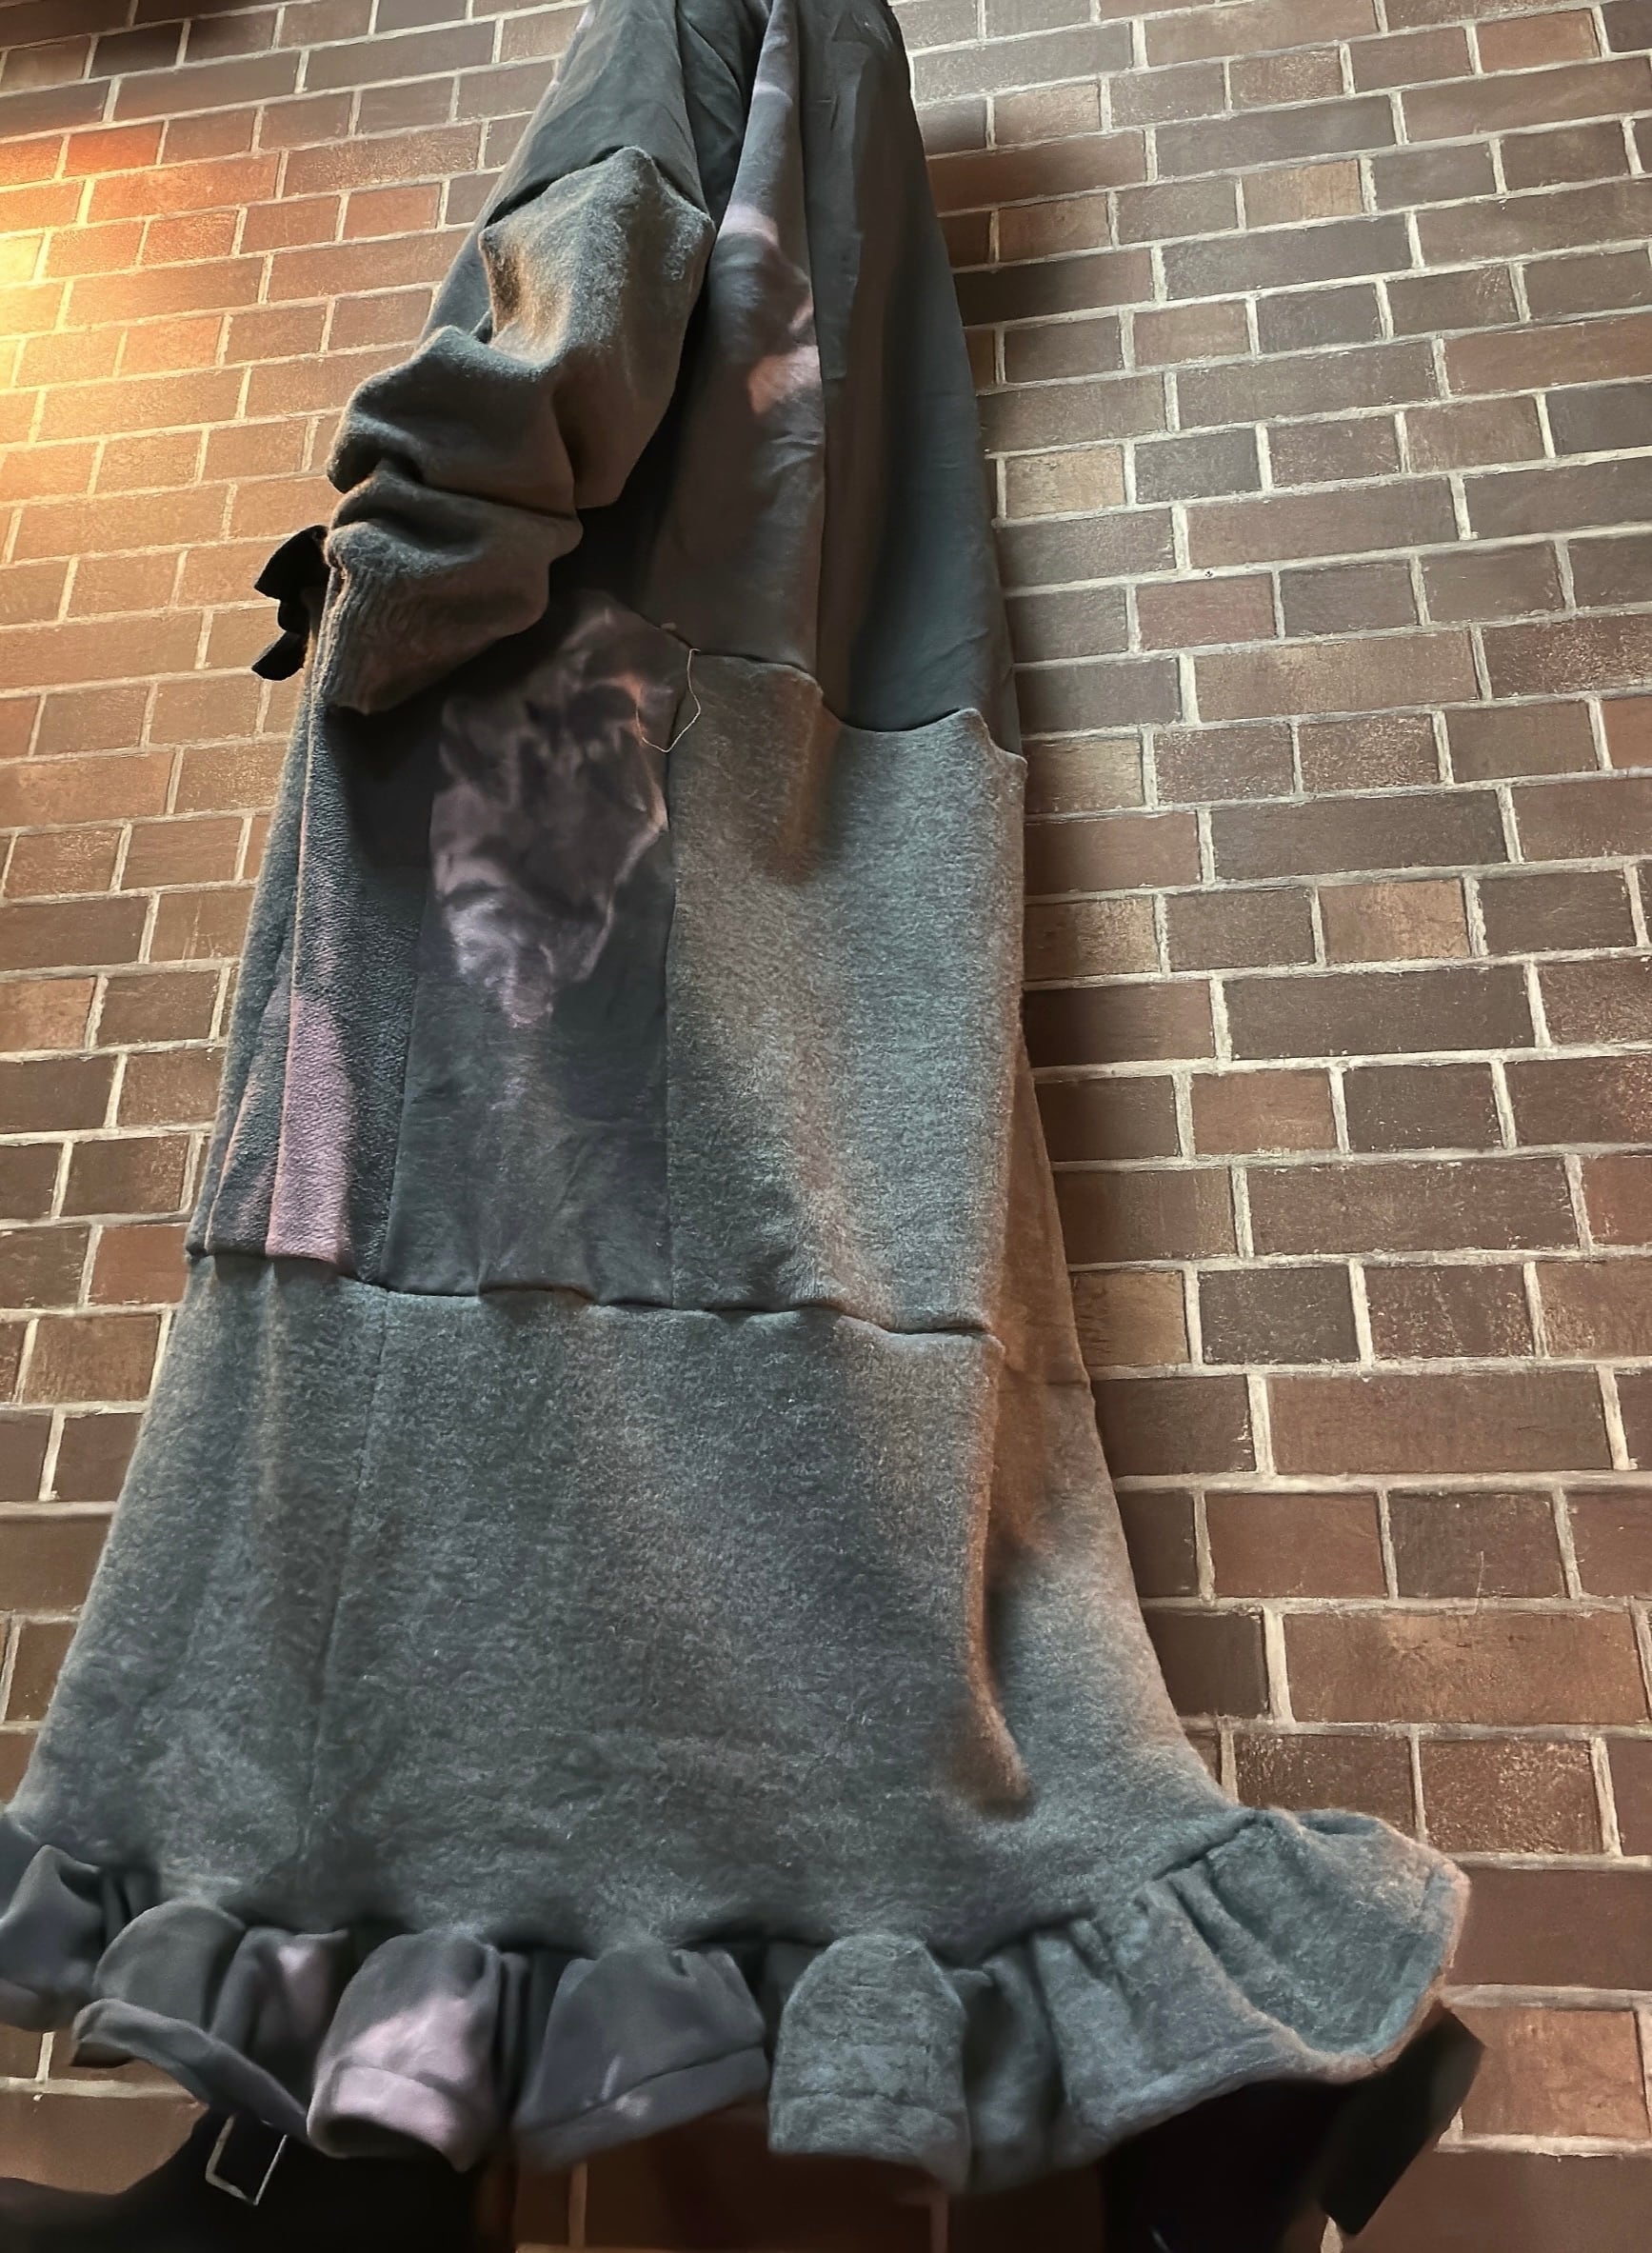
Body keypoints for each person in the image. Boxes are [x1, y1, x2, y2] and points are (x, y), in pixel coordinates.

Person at [0, 1, 1477, 2243]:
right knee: (696, 1484)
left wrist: (387, 584)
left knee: (407, 1444)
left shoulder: (698, 11)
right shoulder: (829, 57)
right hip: (765, 821)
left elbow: (566, 303)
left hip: (549, 827)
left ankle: (328, 2166)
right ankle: (358, 2146)